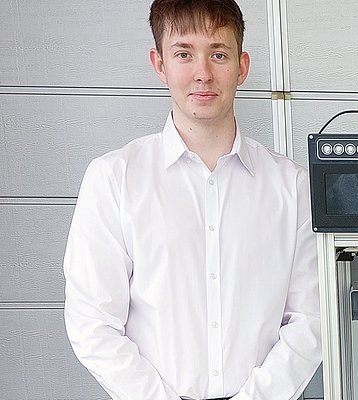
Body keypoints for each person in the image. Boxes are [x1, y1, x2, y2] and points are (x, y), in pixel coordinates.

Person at [63, 0, 322, 399]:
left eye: (218, 54)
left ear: (242, 67)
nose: (203, 73)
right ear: (159, 64)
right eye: (184, 54)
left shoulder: (292, 187)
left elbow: (311, 319)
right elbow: (92, 323)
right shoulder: (114, 179)